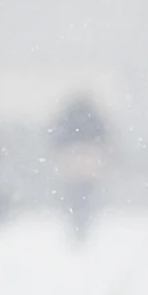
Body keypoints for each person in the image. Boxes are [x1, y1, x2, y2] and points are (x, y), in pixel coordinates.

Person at [46, 93, 111, 241]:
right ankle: (81, 225)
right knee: (85, 197)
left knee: (74, 198)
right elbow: (103, 139)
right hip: (87, 168)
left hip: (72, 168)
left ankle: (77, 224)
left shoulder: (67, 122)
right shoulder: (93, 122)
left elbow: (57, 140)